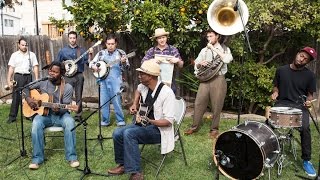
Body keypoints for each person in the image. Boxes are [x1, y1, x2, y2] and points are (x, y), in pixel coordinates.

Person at [107, 60, 176, 180]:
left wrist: (150, 121)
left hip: (159, 130)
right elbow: (138, 90)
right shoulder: (144, 86)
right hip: (143, 124)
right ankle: (122, 164)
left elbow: (168, 122)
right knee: (117, 132)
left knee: (129, 133)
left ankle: (136, 173)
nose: (139, 76)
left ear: (150, 76)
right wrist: (135, 104)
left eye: (142, 74)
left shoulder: (167, 93)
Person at [270, 47, 317, 177]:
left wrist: (308, 102)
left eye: (305, 59)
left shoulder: (310, 76)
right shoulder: (281, 70)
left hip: (299, 106)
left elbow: (310, 95)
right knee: (268, 125)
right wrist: (275, 92)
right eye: (301, 55)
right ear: (297, 53)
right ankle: (267, 153)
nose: (302, 59)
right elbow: (276, 86)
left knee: (305, 128)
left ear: (307, 62)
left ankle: (306, 160)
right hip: (282, 103)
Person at [25, 61, 79, 170]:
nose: (51, 73)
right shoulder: (43, 82)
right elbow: (25, 88)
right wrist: (29, 99)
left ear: (61, 73)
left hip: (61, 115)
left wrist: (58, 110)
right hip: (44, 115)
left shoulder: (67, 87)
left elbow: (66, 107)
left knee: (70, 122)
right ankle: (37, 159)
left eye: (55, 72)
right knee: (36, 123)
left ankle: (72, 157)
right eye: (50, 70)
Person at [184, 29, 233, 138]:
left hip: (219, 78)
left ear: (217, 36)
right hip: (205, 79)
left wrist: (214, 49)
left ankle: (214, 129)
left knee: (217, 105)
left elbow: (227, 59)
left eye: (211, 36)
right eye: (208, 37)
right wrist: (200, 64)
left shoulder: (225, 49)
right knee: (199, 102)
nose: (209, 39)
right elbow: (196, 64)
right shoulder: (204, 51)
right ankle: (194, 127)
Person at [89, 34, 129, 126]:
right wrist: (94, 67)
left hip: (116, 80)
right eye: (108, 44)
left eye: (112, 44)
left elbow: (127, 67)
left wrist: (123, 62)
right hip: (103, 81)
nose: (110, 46)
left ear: (116, 44)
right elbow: (91, 63)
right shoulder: (101, 53)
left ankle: (120, 120)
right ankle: (105, 121)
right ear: (106, 44)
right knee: (103, 102)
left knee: (116, 101)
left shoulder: (121, 53)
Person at [56, 31, 92, 121]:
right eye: (71, 38)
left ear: (76, 38)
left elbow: (89, 63)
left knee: (79, 96)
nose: (72, 40)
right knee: (66, 95)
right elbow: (58, 64)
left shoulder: (82, 50)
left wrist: (90, 54)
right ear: (68, 39)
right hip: (67, 77)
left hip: (79, 75)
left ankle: (78, 115)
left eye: (74, 38)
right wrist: (64, 68)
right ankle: (65, 114)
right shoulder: (63, 51)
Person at [6, 37, 39, 123]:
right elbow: (11, 68)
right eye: (22, 45)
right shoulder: (14, 55)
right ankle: (12, 117)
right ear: (19, 45)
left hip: (28, 77)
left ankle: (30, 115)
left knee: (30, 96)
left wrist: (37, 79)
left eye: (26, 45)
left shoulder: (31, 55)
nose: (24, 47)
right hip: (18, 77)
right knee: (16, 97)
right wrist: (8, 80)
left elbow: (35, 67)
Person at [142, 28, 184, 93]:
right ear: (156, 39)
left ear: (166, 37)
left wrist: (177, 60)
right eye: (159, 38)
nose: (162, 40)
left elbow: (181, 65)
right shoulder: (152, 51)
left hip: (169, 80)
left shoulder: (173, 49)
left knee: (170, 99)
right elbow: (143, 64)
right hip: (154, 81)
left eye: (163, 37)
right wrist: (152, 61)